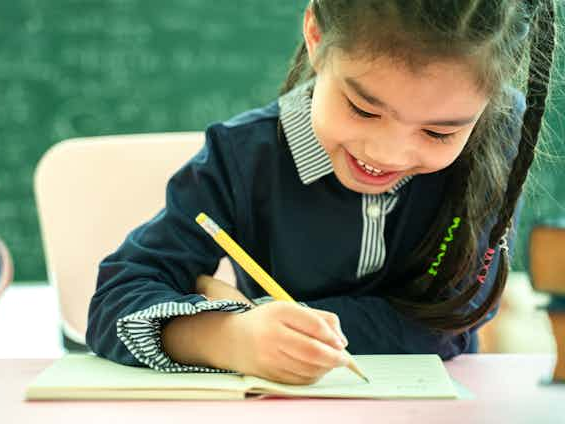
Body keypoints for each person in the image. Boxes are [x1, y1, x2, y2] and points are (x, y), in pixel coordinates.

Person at [86, 0, 556, 385]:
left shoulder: (493, 140)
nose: (388, 153)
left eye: (437, 134)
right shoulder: (240, 158)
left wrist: (281, 319)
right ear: (315, 36)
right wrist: (230, 337)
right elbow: (113, 302)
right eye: (363, 109)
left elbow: (451, 321)